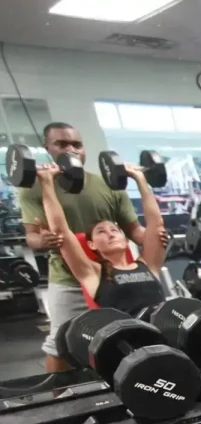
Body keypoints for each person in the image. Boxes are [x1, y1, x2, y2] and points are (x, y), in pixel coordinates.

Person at [19, 123, 162, 372]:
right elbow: (42, 236)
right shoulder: (34, 189)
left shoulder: (108, 186)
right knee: (58, 343)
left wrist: (155, 236)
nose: (71, 150)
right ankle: (59, 397)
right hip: (70, 276)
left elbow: (140, 230)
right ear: (47, 148)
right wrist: (45, 238)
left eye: (76, 144)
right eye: (62, 145)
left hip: (115, 274)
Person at [36, 159, 167, 318]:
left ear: (125, 240)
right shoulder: (93, 273)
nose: (110, 233)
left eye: (114, 230)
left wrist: (140, 178)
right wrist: (47, 182)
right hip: (132, 337)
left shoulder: (148, 263)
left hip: (166, 331)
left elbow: (156, 224)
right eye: (101, 232)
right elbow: (61, 232)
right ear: (91, 244)